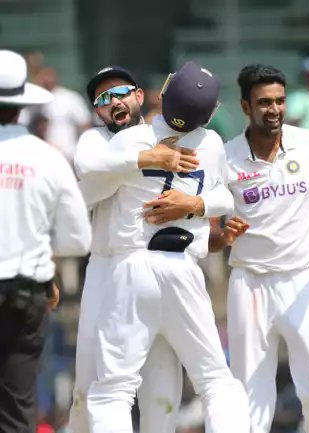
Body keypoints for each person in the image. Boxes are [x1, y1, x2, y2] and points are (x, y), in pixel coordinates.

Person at [80, 62, 249, 433]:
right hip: (182, 269)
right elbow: (226, 196)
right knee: (216, 381)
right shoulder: (212, 143)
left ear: (162, 97)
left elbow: (86, 190)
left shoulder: (128, 140)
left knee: (113, 390)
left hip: (130, 268)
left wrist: (192, 203)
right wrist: (199, 203)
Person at [216, 64, 309, 433]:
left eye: (280, 101)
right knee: (250, 401)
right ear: (245, 107)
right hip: (250, 284)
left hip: (307, 280)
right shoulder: (225, 157)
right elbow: (210, 237)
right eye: (264, 102)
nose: (275, 109)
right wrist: (224, 234)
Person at [69, 65, 194, 433]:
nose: (113, 103)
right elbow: (87, 174)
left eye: (120, 93)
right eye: (103, 100)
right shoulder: (94, 140)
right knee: (88, 384)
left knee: (161, 388)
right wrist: (145, 160)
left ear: (139, 96)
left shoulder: (165, 135)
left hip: (160, 264)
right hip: (105, 268)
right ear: (97, 111)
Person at [0, 50, 91, 433]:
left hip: (27, 289)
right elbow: (77, 239)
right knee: (18, 404)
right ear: (23, 105)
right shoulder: (48, 158)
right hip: (25, 295)